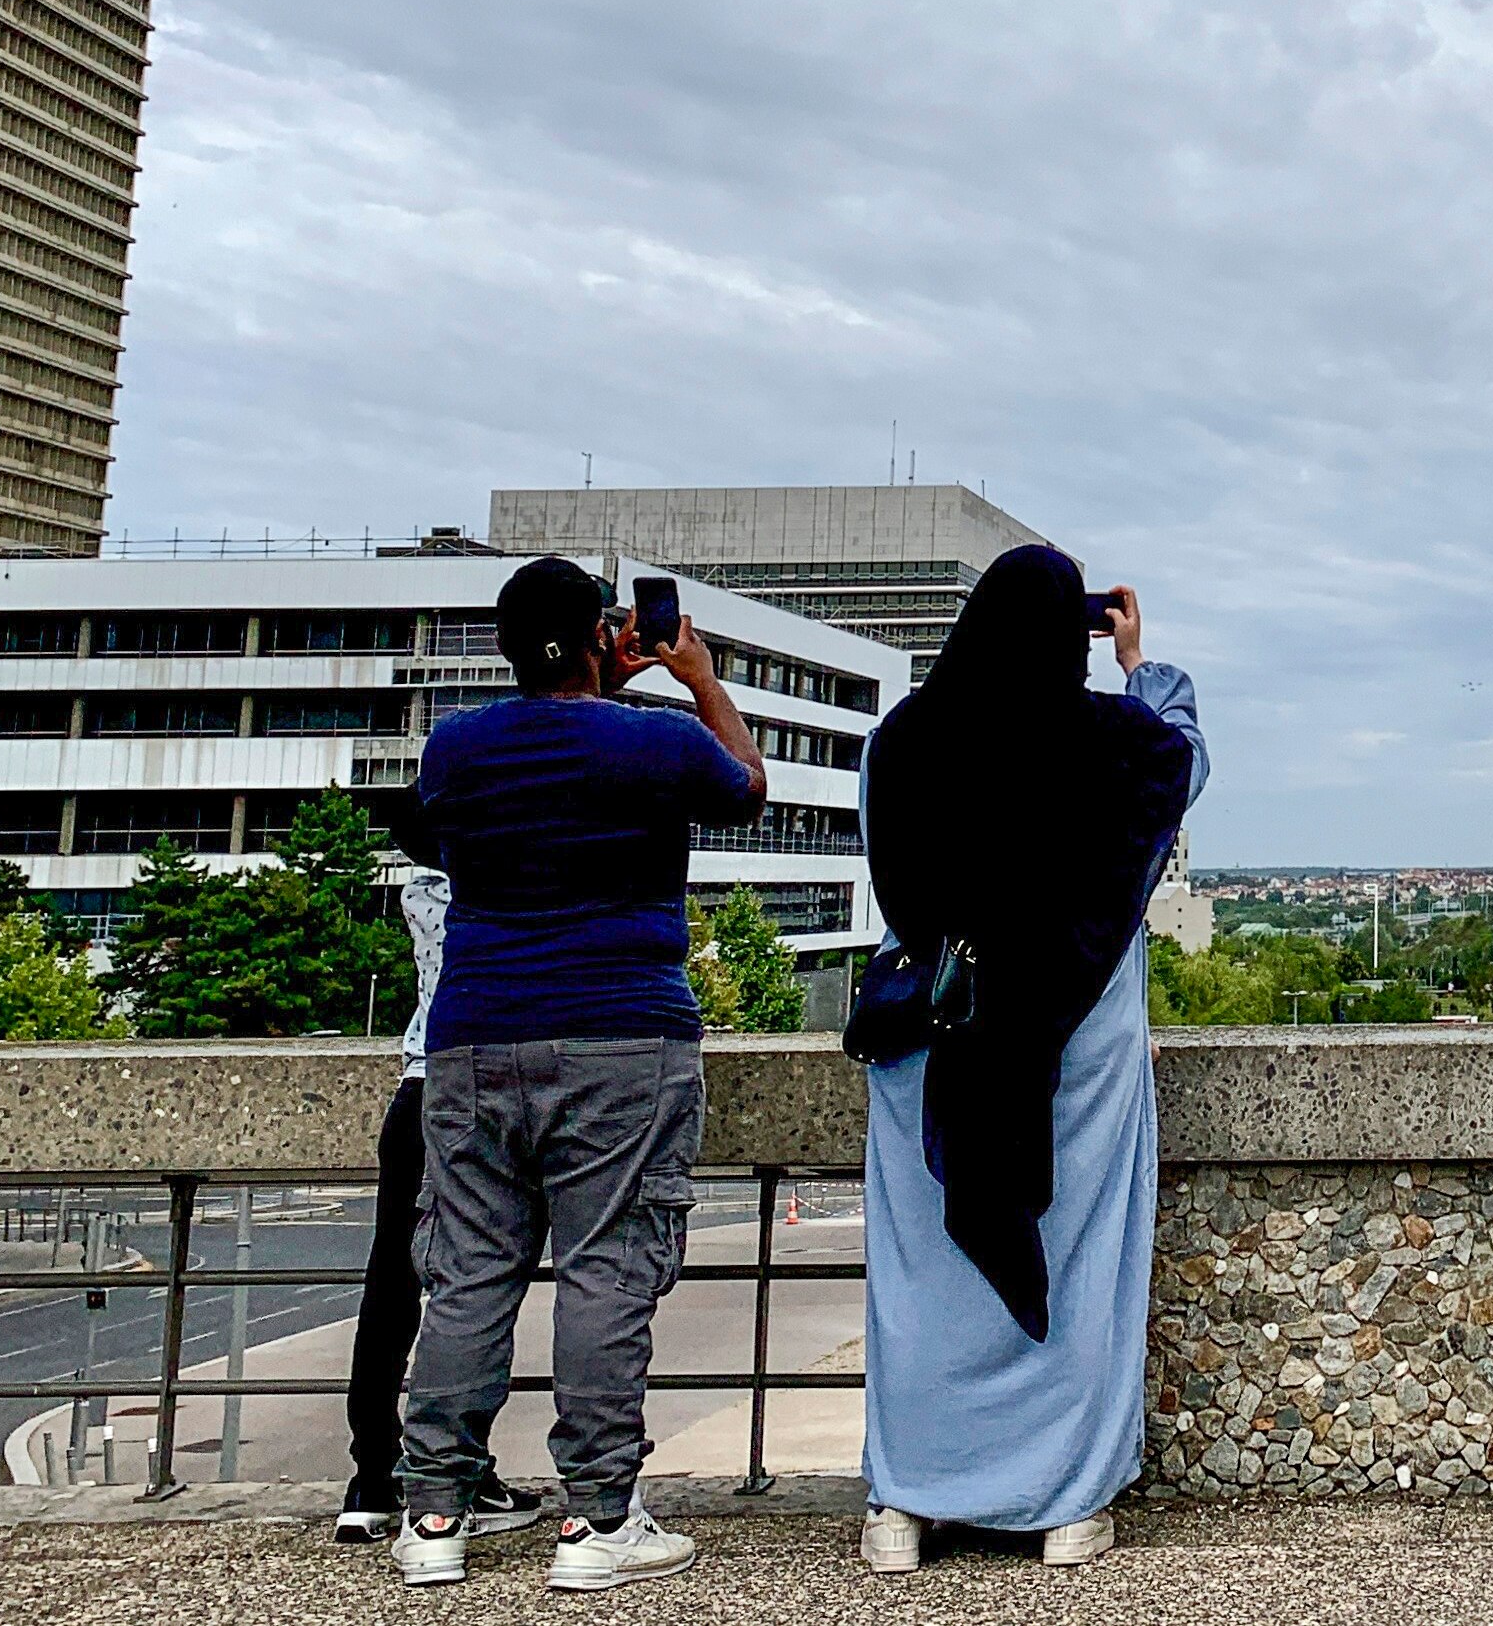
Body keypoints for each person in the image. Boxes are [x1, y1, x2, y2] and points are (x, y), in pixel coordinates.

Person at [392, 556, 767, 1591]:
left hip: (474, 1035)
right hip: (620, 1034)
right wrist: (693, 675)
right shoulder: (656, 739)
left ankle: (433, 1512)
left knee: (467, 1271)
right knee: (606, 1268)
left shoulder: (456, 745)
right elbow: (745, 784)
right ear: (605, 636)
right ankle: (598, 1516)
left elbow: (446, 821)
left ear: (508, 646)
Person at [854, 550, 1206, 1575]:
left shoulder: (903, 741)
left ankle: (903, 1500)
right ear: (1076, 632)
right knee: (1081, 1254)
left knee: (922, 1276)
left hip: (936, 1038)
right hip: (1074, 1042)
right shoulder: (1117, 741)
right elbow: (1179, 763)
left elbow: (892, 858)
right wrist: (1141, 665)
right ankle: (1063, 1501)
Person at [334, 853, 545, 1547]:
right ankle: (460, 1470)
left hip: (417, 1085)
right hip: (479, 1081)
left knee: (389, 1283)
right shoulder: (504, 879)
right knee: (476, 1287)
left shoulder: (423, 887)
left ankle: (370, 1474)